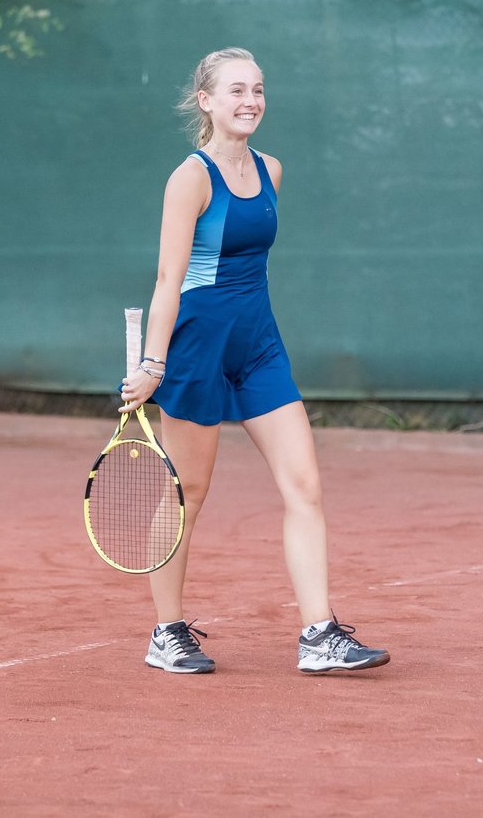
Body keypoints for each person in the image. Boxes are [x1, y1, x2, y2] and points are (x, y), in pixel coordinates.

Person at [118, 47, 389, 676]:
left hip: (259, 344)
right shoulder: (189, 177)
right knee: (189, 493)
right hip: (197, 349)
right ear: (206, 101)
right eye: (236, 90)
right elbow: (168, 278)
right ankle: (166, 631)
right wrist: (153, 364)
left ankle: (318, 635)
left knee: (305, 485)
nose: (251, 101)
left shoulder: (272, 169)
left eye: (259, 90)